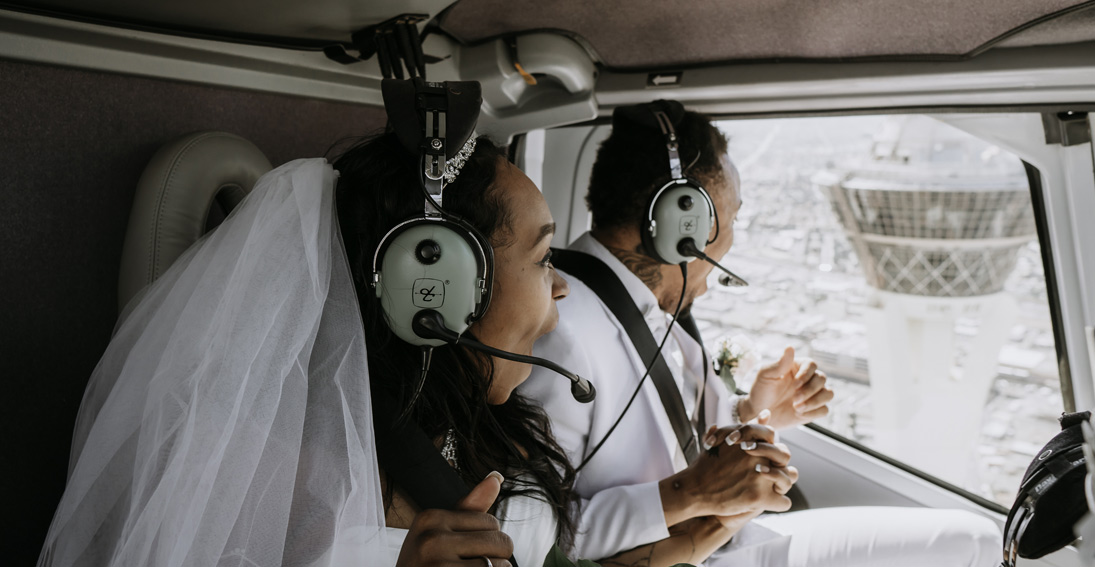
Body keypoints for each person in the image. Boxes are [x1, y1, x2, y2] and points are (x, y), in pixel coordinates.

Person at [522, 100, 1002, 567]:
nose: (731, 236)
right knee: (971, 544)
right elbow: (542, 540)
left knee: (974, 540)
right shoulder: (561, 328)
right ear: (681, 222)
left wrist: (754, 410)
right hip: (685, 553)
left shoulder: (642, 304)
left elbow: (674, 431)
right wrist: (692, 495)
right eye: (731, 216)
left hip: (725, 541)